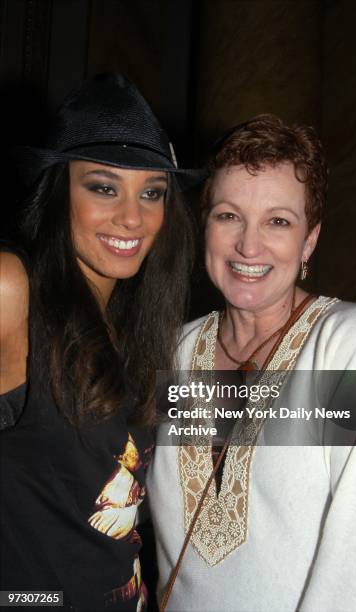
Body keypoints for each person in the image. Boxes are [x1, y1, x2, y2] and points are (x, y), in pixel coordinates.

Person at [147, 114, 356, 611]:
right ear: (205, 226)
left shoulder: (350, 347)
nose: (249, 244)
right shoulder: (173, 353)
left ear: (309, 241)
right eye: (228, 216)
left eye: (278, 221)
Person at [0, 72, 201, 611]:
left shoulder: (137, 334)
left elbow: (318, 414)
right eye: (104, 187)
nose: (132, 216)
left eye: (152, 192)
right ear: (58, 188)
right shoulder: (12, 289)